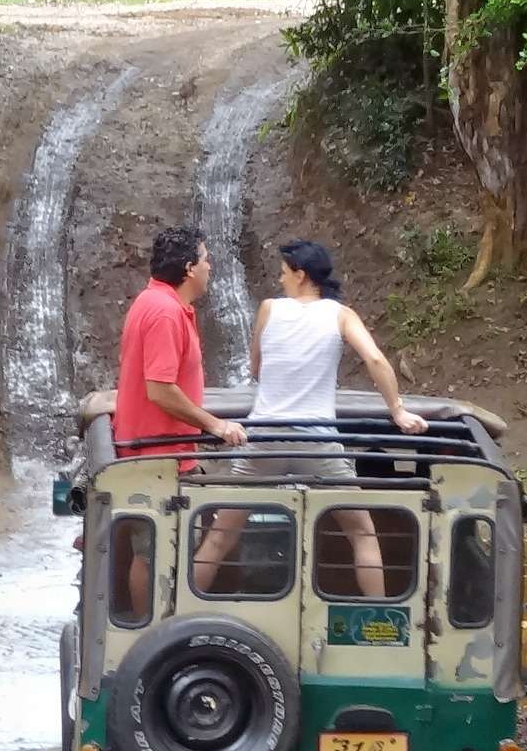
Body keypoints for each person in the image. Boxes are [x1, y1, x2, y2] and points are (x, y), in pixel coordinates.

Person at [242, 238, 427, 599]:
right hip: (318, 443)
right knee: (362, 533)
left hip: (263, 437)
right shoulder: (341, 314)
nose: (280, 281)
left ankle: (178, 624)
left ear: (301, 275)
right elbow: (375, 360)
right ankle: (379, 621)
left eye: (283, 273)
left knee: (222, 533)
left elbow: (256, 369)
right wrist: (398, 411)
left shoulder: (268, 309)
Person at [116, 225, 249, 592]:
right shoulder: (164, 312)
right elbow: (159, 390)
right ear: (190, 267)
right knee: (153, 550)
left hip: (165, 452)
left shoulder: (158, 303)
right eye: (206, 259)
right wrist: (215, 425)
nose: (211, 266)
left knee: (161, 546)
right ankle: (153, 640)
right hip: (157, 456)